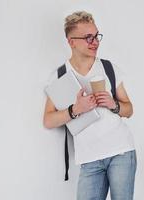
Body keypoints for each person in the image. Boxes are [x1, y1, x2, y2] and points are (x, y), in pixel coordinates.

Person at [43, 11, 137, 200]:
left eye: (96, 36)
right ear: (71, 42)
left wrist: (113, 105)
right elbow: (48, 120)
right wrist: (75, 110)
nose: (95, 41)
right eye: (88, 37)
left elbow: (129, 109)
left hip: (121, 152)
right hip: (89, 159)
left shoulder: (109, 68)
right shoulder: (60, 75)